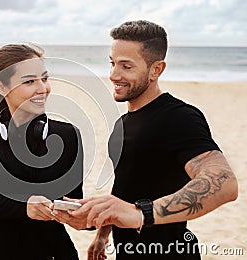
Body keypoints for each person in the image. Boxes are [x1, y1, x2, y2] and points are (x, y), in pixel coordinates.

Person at [54, 20, 238, 259]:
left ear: (156, 70)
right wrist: (102, 234)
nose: (113, 75)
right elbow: (125, 187)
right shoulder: (122, 124)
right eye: (112, 63)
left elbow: (224, 184)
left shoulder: (179, 117)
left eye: (126, 67)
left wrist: (142, 213)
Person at [0, 44, 84, 260]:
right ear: (1, 86)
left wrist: (84, 215)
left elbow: (73, 200)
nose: (42, 89)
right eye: (29, 81)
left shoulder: (69, 135)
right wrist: (24, 206)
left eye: (44, 79)